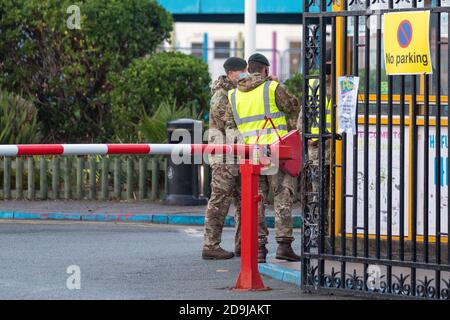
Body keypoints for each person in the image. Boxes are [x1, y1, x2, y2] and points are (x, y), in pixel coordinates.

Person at [226, 53, 301, 263]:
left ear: (248, 70)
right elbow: (293, 106)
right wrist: (277, 83)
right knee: (282, 194)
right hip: (275, 151)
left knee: (255, 201)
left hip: (250, 154)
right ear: (265, 70)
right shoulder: (272, 88)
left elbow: (232, 124)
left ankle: (259, 249)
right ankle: (284, 245)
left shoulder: (233, 94)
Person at [202, 57, 248, 260]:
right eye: (242, 71)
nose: (245, 74)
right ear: (231, 73)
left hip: (236, 154)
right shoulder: (221, 96)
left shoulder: (236, 92)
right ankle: (210, 245)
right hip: (223, 156)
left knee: (243, 201)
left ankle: (242, 245)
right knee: (219, 201)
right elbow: (229, 123)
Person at [298, 48, 332, 233]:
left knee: (317, 193)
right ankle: (326, 231)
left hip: (315, 150)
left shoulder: (312, 83)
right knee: (329, 195)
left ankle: (317, 231)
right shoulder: (342, 85)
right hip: (335, 150)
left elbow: (301, 122)